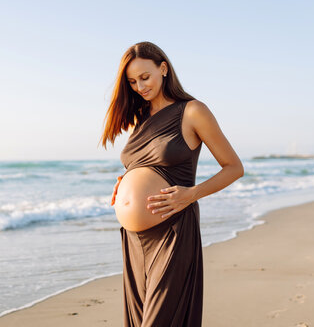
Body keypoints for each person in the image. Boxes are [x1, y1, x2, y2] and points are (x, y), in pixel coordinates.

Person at [99, 41, 244, 326]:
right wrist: (125, 179)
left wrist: (191, 194)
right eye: (132, 82)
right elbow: (146, 162)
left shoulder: (192, 111)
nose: (140, 87)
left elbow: (234, 168)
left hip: (173, 232)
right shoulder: (139, 119)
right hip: (134, 240)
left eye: (145, 77)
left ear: (163, 69)